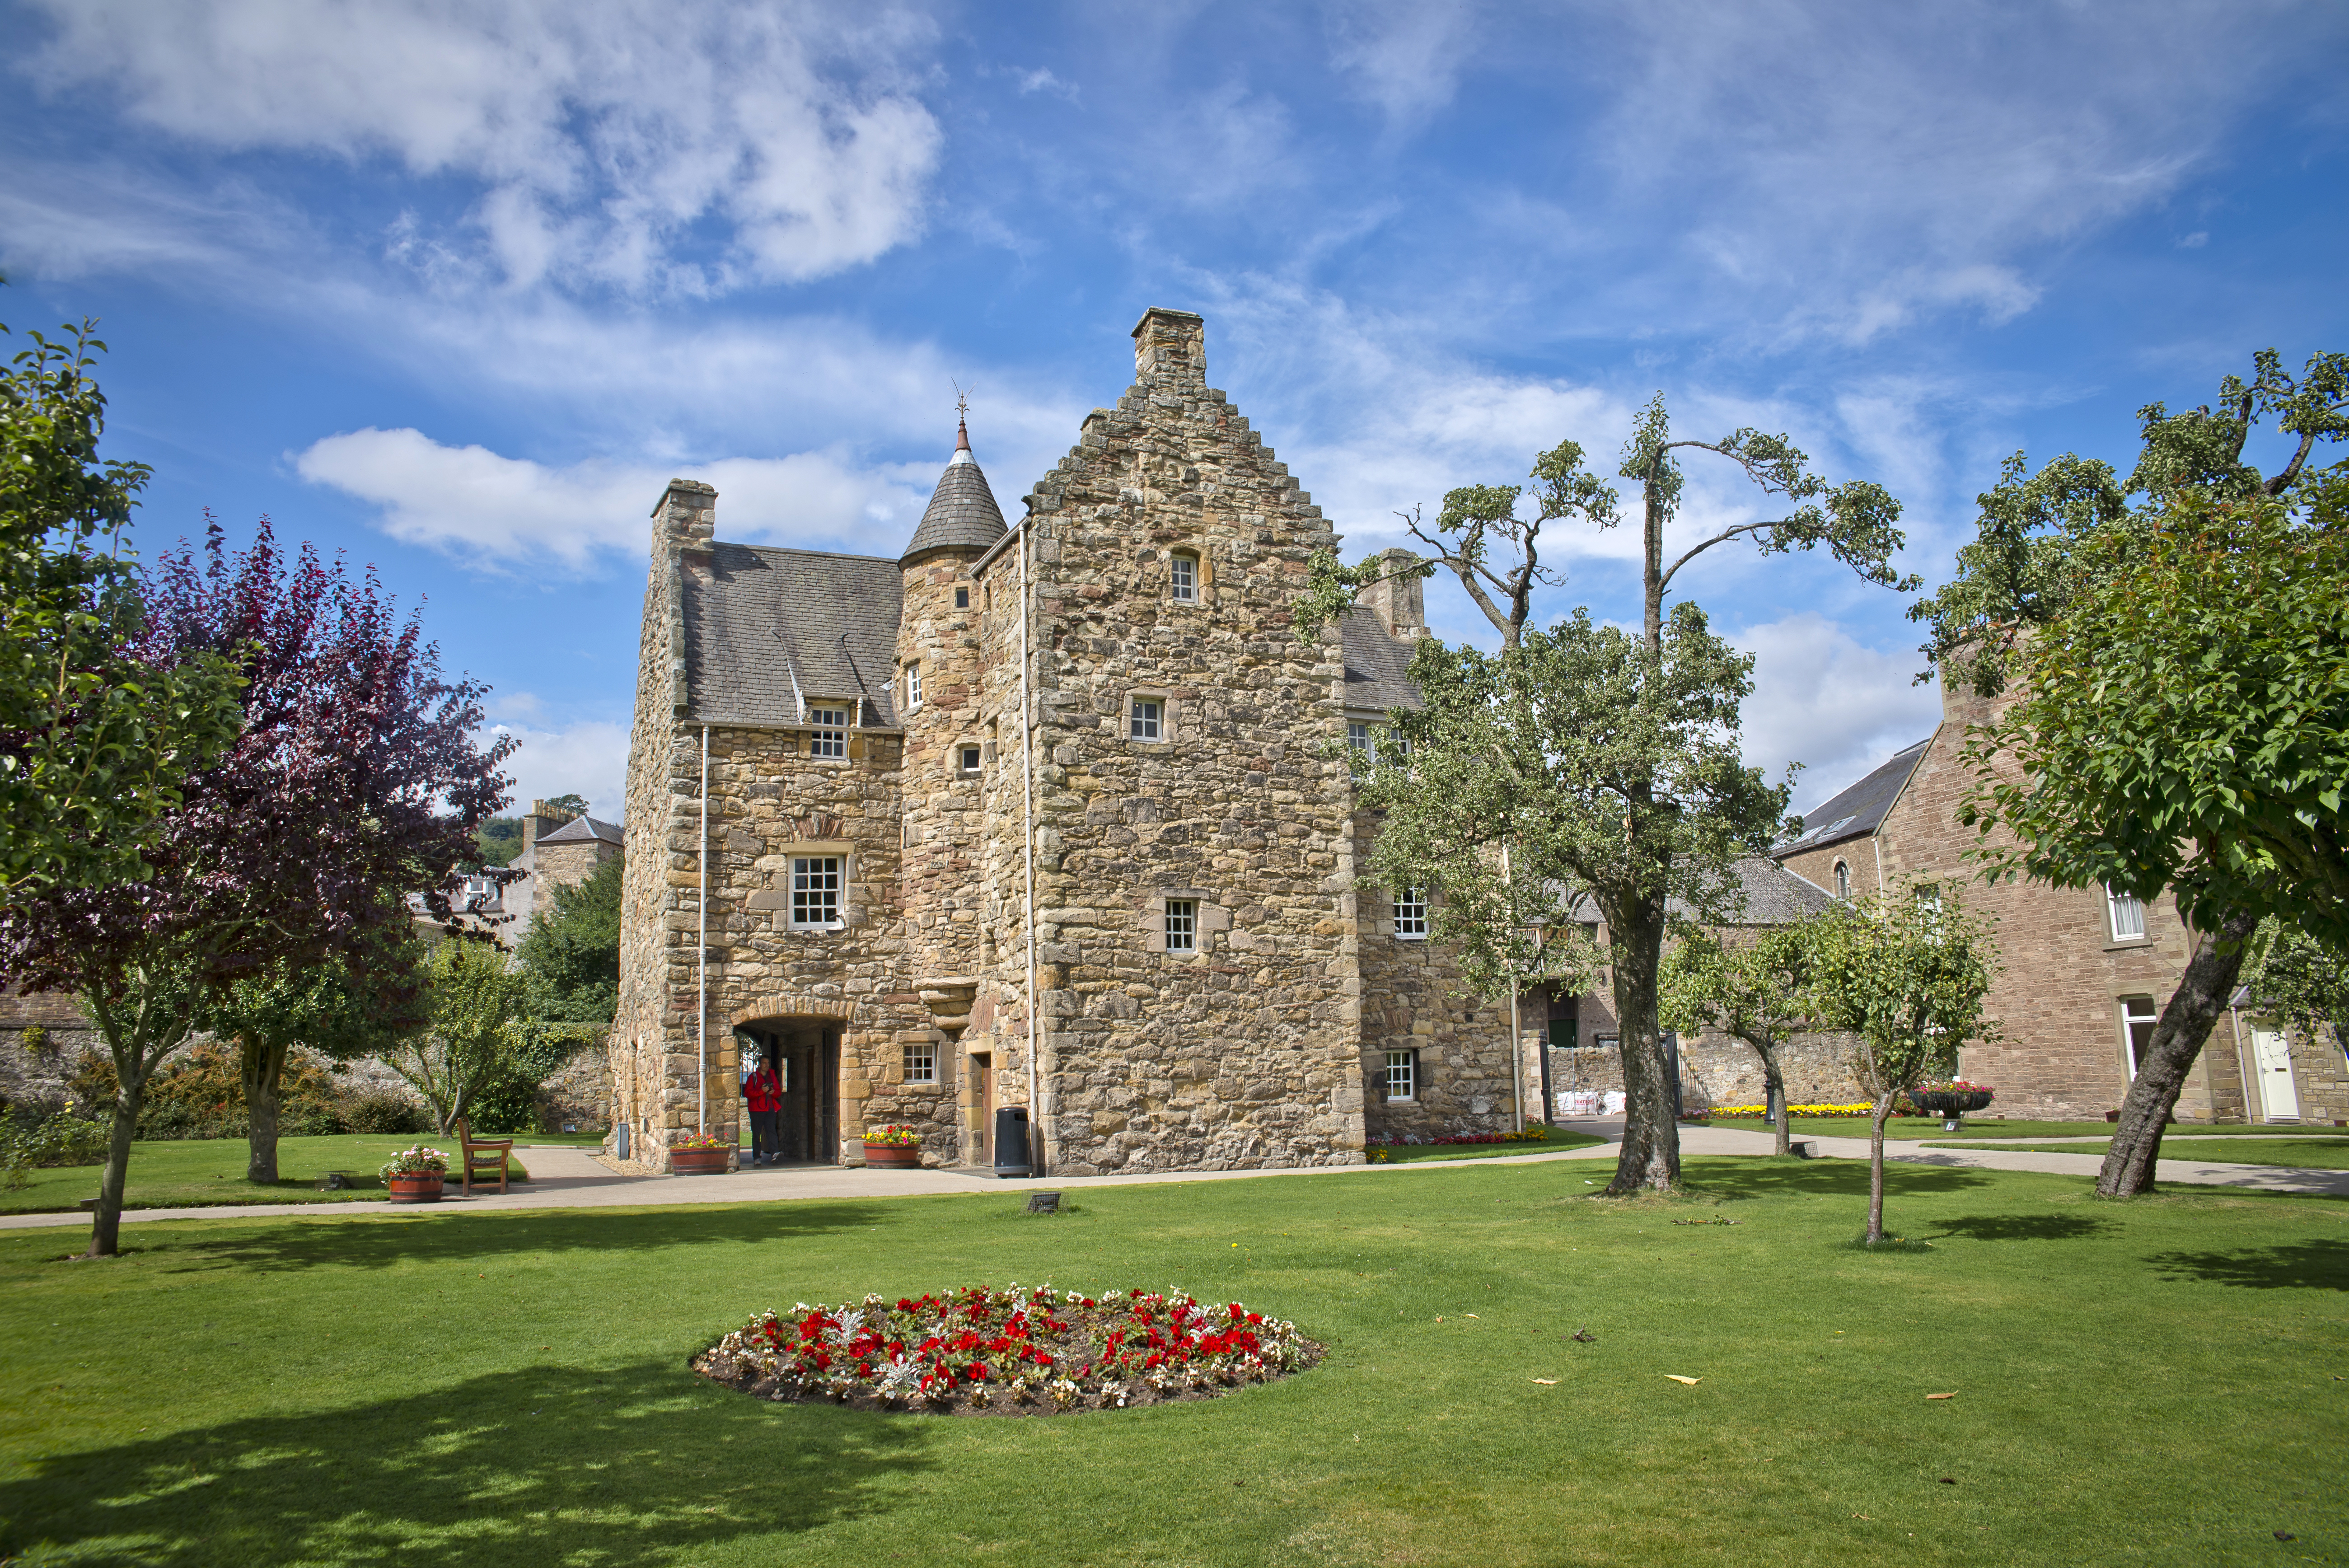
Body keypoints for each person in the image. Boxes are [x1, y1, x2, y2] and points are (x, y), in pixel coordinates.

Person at [743, 1053, 782, 1166]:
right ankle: (757, 1157)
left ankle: (774, 1154)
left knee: (772, 1132)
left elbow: (778, 1091)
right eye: (764, 1063)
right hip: (756, 1110)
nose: (767, 1065)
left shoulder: (772, 1075)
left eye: (768, 1063)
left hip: (770, 1108)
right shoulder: (753, 1077)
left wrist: (773, 1092)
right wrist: (761, 1091)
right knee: (756, 1134)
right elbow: (748, 1093)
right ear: (759, 1065)